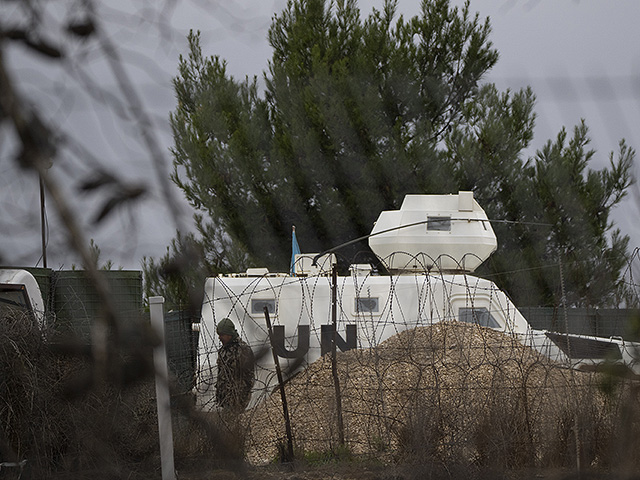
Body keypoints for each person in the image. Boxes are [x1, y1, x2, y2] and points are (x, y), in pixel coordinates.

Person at [215, 317, 255, 412]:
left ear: (229, 334)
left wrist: (241, 397)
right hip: (225, 399)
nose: (219, 338)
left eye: (222, 335)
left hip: (237, 399)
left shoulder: (243, 350)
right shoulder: (223, 351)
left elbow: (249, 377)